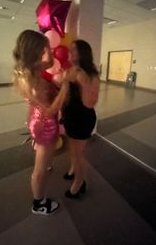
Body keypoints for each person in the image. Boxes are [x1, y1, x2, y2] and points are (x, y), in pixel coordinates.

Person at [13, 30, 64, 215]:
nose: (47, 52)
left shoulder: (32, 71)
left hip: (38, 120)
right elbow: (50, 109)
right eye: (44, 49)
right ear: (34, 51)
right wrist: (64, 89)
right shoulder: (31, 79)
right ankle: (39, 204)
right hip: (45, 124)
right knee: (39, 170)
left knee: (43, 161)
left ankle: (44, 162)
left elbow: (49, 63)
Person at [61, 40, 100, 198]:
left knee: (79, 154)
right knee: (72, 149)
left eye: (74, 50)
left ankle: (80, 182)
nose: (69, 52)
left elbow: (89, 103)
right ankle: (73, 169)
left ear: (83, 53)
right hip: (69, 117)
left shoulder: (91, 74)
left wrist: (82, 82)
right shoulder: (70, 70)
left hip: (82, 119)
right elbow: (65, 94)